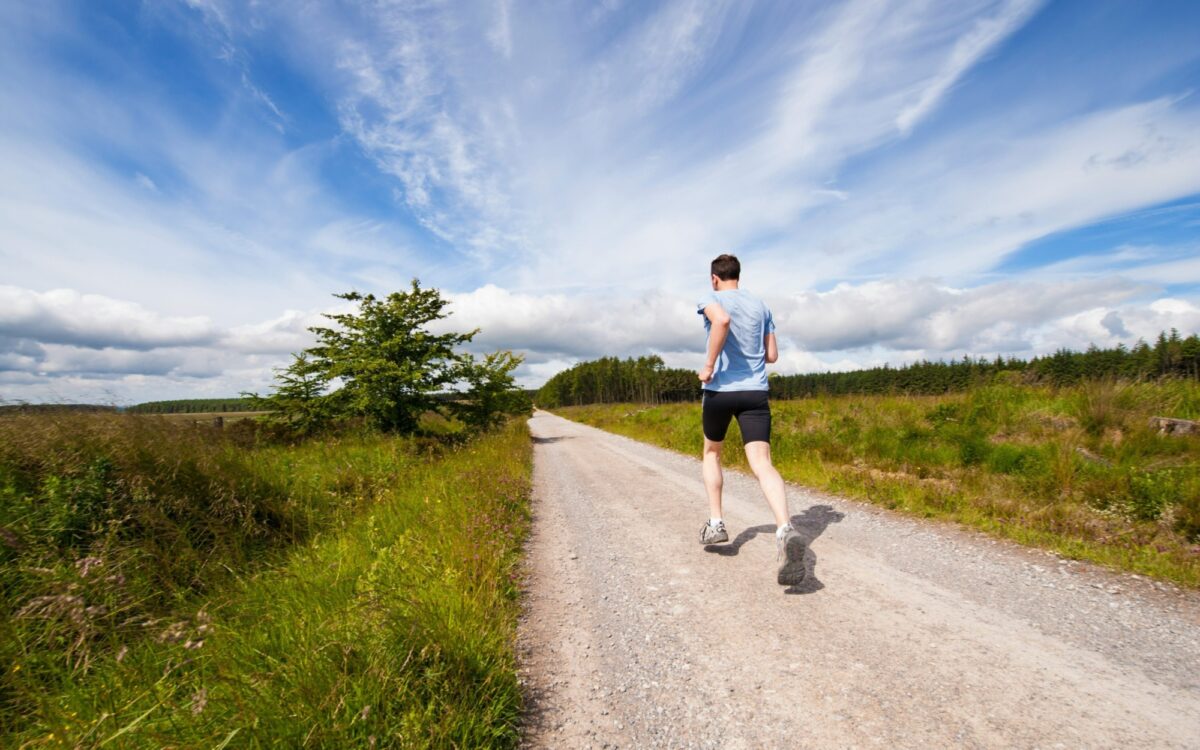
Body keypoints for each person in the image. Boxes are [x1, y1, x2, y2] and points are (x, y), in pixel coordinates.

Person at [696, 254, 804, 585]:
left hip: (720, 391)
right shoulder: (761, 306)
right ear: (737, 276)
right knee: (762, 462)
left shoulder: (710, 299)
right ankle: (785, 528)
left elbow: (722, 321)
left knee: (713, 452)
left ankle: (716, 523)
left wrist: (710, 365)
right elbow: (771, 355)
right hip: (755, 392)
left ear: (715, 278)